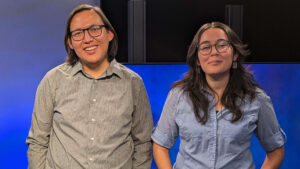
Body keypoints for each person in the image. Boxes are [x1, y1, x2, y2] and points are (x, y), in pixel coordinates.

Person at [26, 4, 153, 169]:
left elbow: (143, 143)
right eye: (78, 33)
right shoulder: (53, 80)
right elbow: (38, 141)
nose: (87, 39)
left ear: (109, 34)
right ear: (70, 43)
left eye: (94, 29)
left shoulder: (133, 83)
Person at [151, 22, 285, 169]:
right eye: (205, 47)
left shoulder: (257, 99)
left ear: (235, 54)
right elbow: (160, 146)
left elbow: (276, 150)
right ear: (197, 59)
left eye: (221, 45)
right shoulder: (178, 96)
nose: (214, 52)